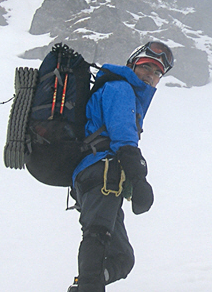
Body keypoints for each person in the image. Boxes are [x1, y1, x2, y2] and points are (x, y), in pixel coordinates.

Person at [67, 41, 174, 292]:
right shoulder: (121, 88)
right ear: (132, 65)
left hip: (96, 176)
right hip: (102, 171)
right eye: (146, 67)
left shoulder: (125, 92)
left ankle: (83, 286)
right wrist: (139, 179)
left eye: (157, 72)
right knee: (97, 235)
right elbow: (124, 138)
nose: (150, 75)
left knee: (123, 259)